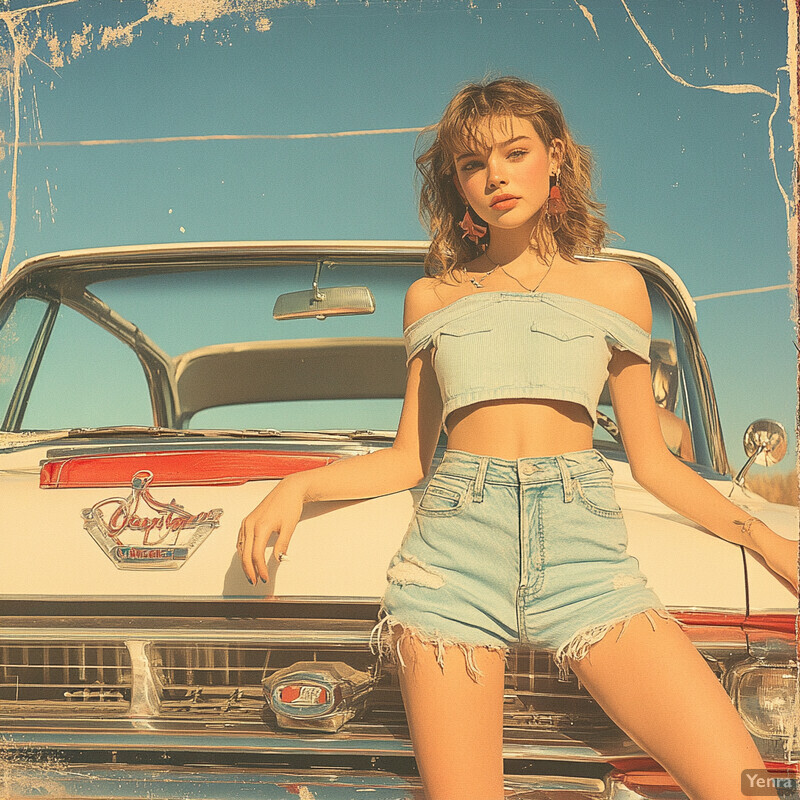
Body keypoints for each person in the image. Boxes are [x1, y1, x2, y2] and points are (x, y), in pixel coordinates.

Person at [238, 77, 797, 800]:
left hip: (585, 559)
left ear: (555, 157)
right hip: (452, 565)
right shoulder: (432, 298)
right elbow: (411, 456)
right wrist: (298, 485)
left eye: (515, 151)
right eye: (473, 163)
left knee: (740, 786)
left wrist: (768, 539)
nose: (495, 175)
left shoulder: (617, 289)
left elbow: (654, 464)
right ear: (457, 182)